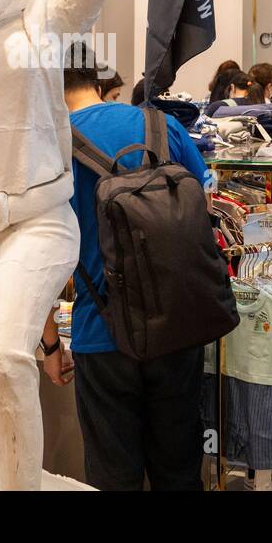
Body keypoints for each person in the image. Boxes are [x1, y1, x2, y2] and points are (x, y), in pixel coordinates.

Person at [64, 44, 210, 490]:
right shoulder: (159, 124)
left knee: (113, 473)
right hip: (178, 325)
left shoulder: (50, 142)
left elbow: (42, 252)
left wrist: (51, 346)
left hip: (99, 330)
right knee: (180, 469)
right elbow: (201, 203)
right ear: (98, 77)